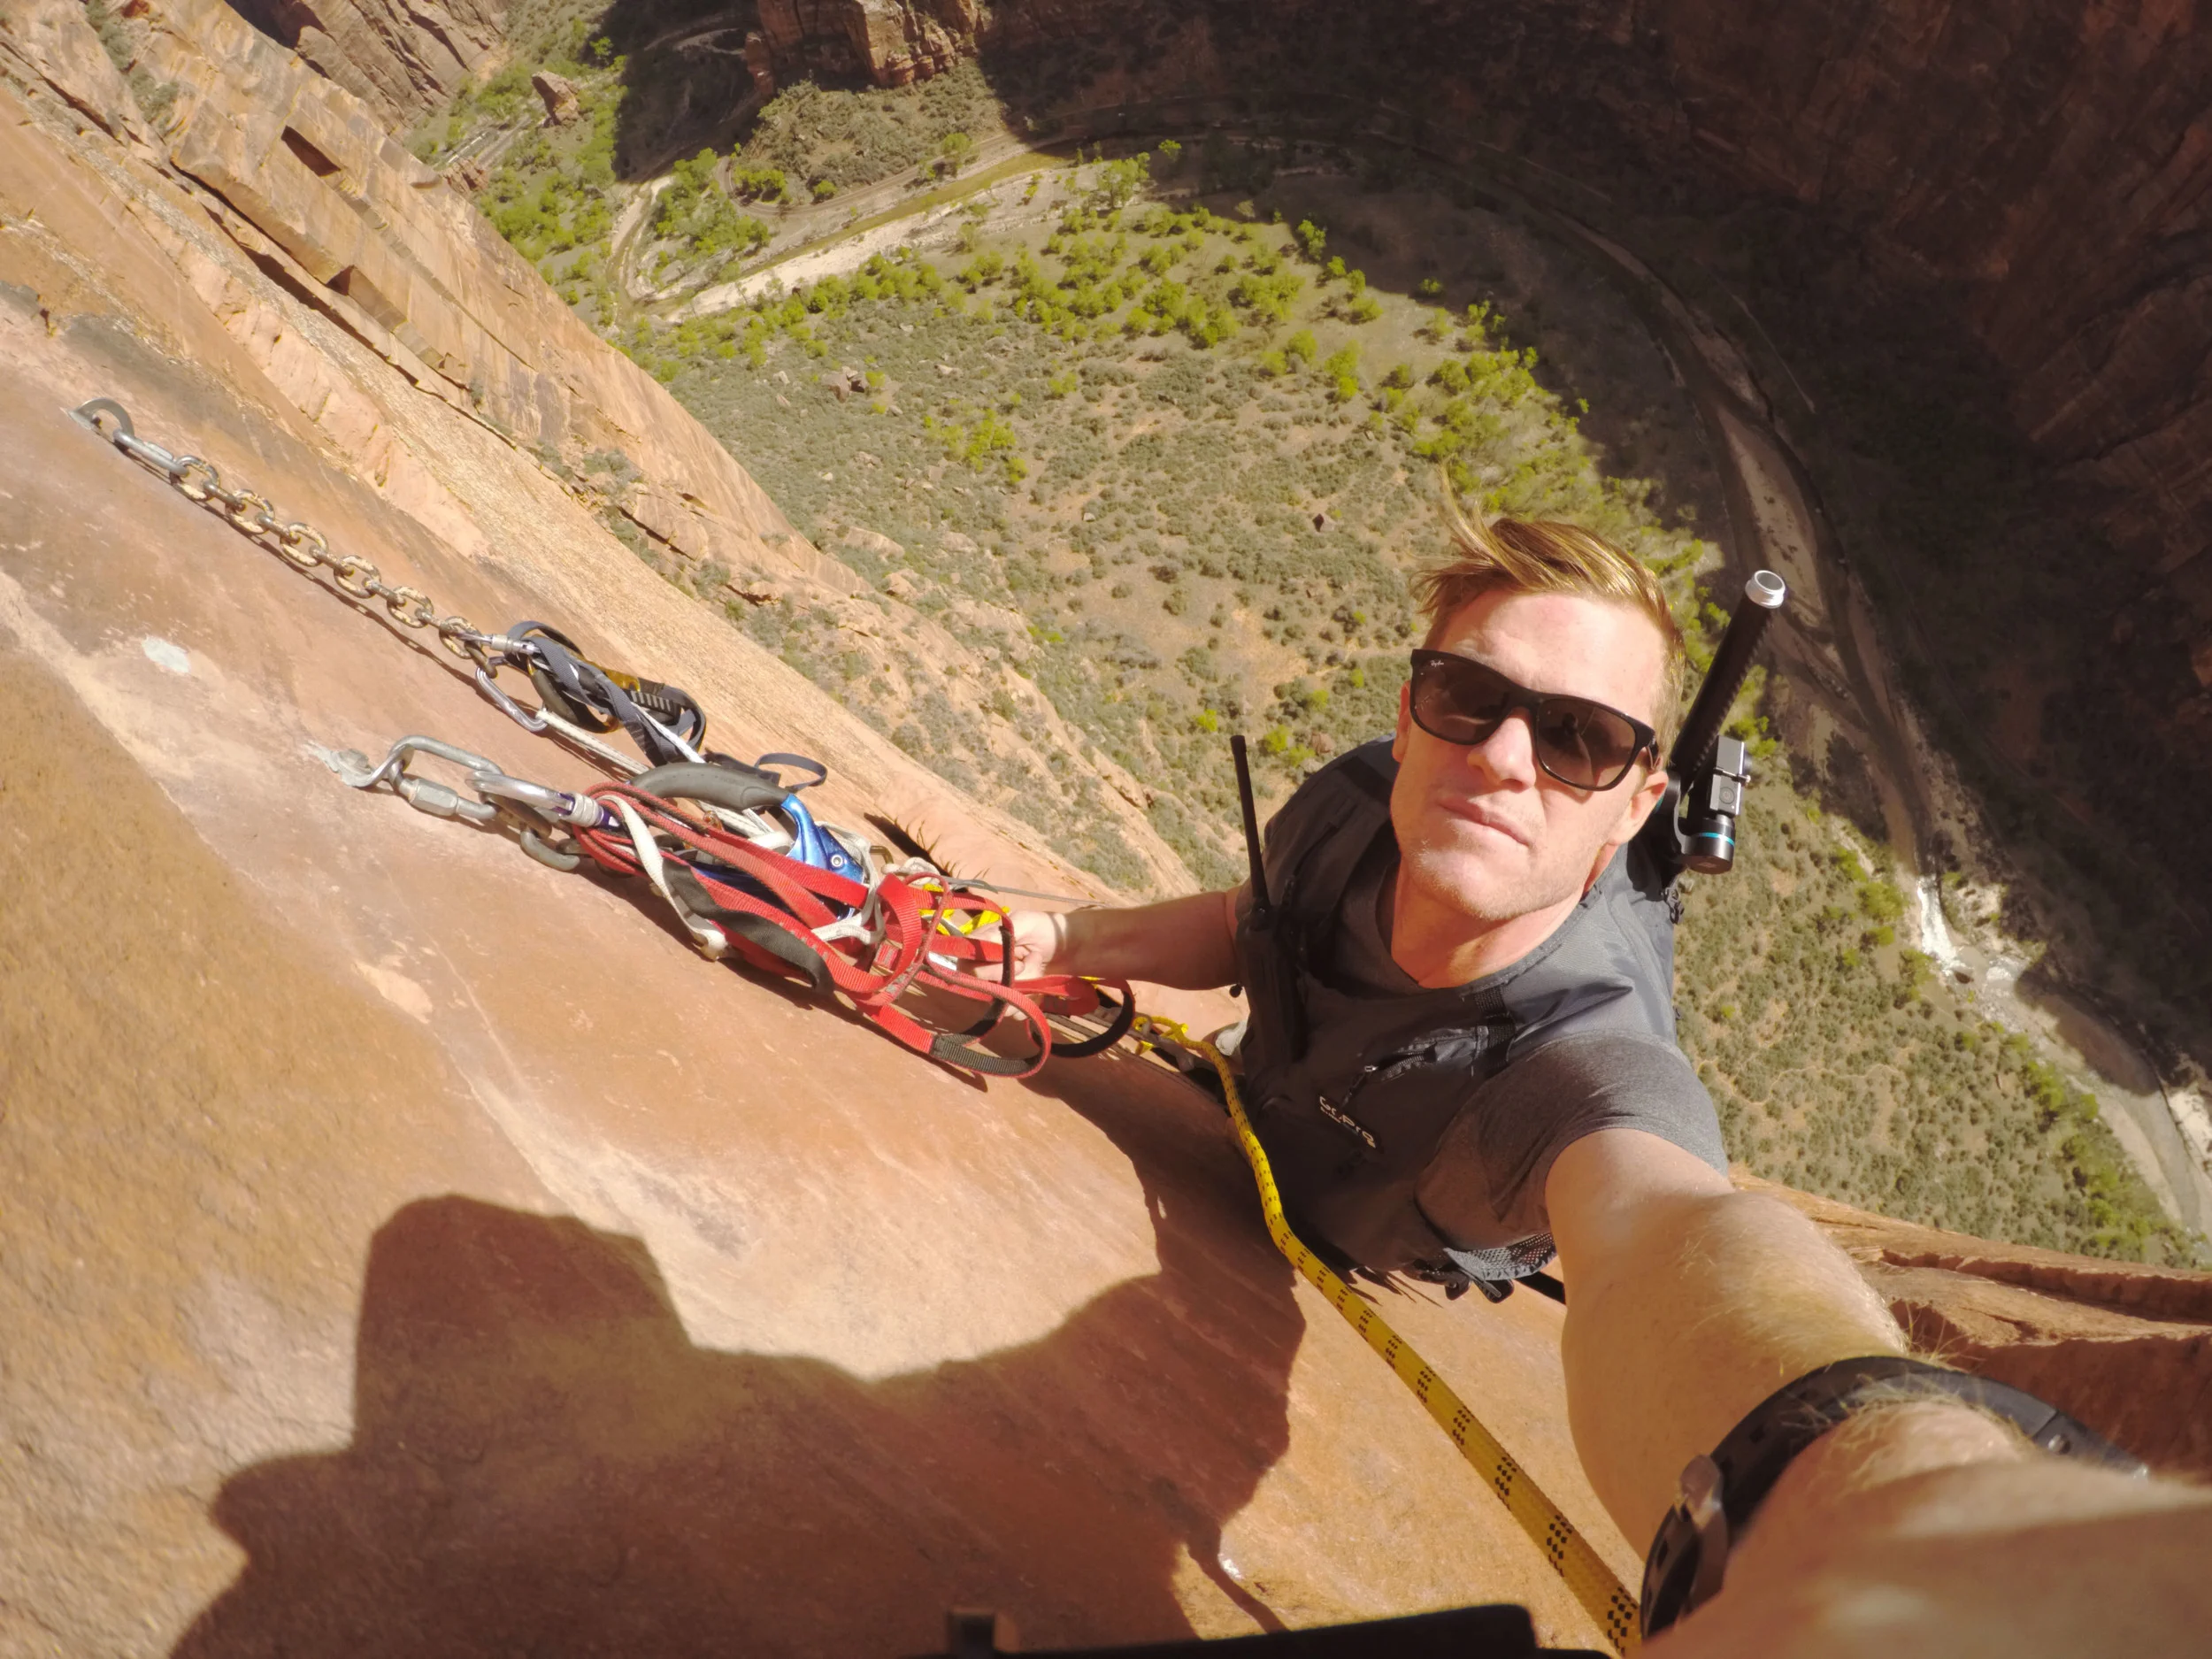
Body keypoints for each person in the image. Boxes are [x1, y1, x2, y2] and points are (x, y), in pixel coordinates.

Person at [1007, 505, 2211, 1647]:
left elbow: (1672, 1233)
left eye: (1581, 736)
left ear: (1642, 799)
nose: (1504, 757)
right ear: (1412, 707)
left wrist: (1886, 1510)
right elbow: (1258, 917)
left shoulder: (1579, 1061)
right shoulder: (1352, 803)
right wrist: (1065, 943)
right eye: (1467, 696)